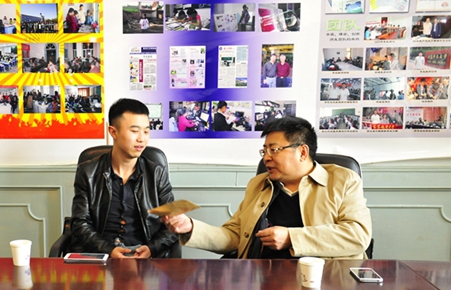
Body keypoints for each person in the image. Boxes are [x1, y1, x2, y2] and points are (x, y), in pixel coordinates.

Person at [162, 116, 372, 260]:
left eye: (274, 150)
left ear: (302, 152)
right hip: (262, 279)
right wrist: (191, 227)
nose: (267, 158)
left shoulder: (343, 180)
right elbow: (235, 236)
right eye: (264, 151)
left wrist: (291, 238)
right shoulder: (259, 184)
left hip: (325, 281)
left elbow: (358, 235)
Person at [68, 98, 178, 258]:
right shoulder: (88, 171)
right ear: (113, 132)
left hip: (144, 255)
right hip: (102, 254)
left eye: (146, 131)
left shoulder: (156, 172)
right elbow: (80, 223)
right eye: (134, 131)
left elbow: (172, 223)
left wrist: (151, 249)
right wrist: (108, 250)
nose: (142, 139)